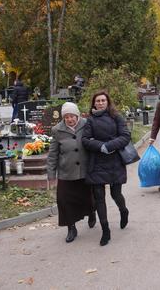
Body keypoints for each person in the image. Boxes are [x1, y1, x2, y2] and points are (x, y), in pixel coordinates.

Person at [82, 91, 131, 246]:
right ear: (94, 103)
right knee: (99, 197)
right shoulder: (89, 120)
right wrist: (100, 146)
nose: (101, 103)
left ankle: (123, 210)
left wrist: (109, 146)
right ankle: (105, 230)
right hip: (96, 161)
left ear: (107, 102)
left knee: (116, 194)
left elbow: (125, 136)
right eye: (98, 101)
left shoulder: (116, 117)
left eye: (103, 100)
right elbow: (85, 139)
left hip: (115, 160)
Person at [47, 102, 96, 243]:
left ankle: (92, 213)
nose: (70, 119)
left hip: (86, 170)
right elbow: (52, 154)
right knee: (64, 200)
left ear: (77, 115)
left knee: (89, 197)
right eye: (66, 117)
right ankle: (71, 228)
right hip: (66, 172)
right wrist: (51, 175)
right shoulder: (57, 130)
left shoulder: (87, 124)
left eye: (72, 116)